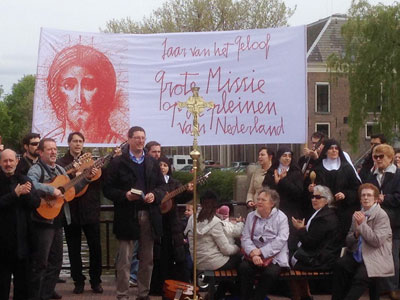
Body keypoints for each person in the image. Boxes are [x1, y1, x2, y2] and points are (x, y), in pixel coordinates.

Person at [27, 138, 95, 300]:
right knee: (41, 262)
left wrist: (86, 178)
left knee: (56, 262)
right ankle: (35, 295)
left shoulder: (59, 169)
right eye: (49, 149)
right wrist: (50, 189)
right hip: (42, 221)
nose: (53, 152)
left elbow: (71, 189)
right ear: (41, 152)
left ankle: (47, 293)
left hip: (58, 219)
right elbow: (30, 184)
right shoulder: (36, 169)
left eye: (55, 149)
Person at [103, 126, 166, 300]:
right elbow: (107, 189)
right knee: (124, 259)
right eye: (137, 137)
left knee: (148, 258)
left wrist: (155, 195)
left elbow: (162, 187)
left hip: (149, 214)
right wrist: (124, 195)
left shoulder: (152, 162)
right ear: (129, 139)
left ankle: (143, 294)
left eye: (143, 138)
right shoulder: (117, 162)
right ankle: (122, 295)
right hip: (127, 214)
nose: (140, 141)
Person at [46, 44, 127, 143]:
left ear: (102, 93)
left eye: (88, 85)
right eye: (69, 85)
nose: (79, 98)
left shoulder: (118, 145)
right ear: (58, 93)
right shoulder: (51, 144)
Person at [56, 132, 103, 294]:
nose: (77, 144)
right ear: (69, 143)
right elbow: (58, 184)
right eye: (74, 141)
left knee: (95, 248)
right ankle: (78, 282)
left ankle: (96, 281)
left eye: (80, 141)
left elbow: (100, 182)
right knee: (73, 249)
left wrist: (97, 173)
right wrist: (73, 175)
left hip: (90, 210)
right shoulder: (61, 164)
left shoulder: (91, 161)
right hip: (71, 211)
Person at [331, 183, 394, 300]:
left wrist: (362, 225)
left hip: (375, 256)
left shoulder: (382, 216)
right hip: (358, 255)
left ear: (375, 199)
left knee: (360, 278)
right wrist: (355, 234)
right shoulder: (357, 214)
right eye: (363, 195)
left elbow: (377, 241)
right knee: (340, 265)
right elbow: (348, 241)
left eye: (369, 195)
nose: (365, 198)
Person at [185, 190, 241, 299]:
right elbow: (227, 250)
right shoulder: (215, 222)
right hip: (213, 263)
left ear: (201, 203)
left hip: (197, 261)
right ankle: (234, 294)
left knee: (229, 270)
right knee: (240, 261)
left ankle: (218, 295)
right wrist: (238, 248)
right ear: (216, 205)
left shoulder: (192, 218)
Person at [0, 149, 40, 300]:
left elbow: (36, 203)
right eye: (5, 161)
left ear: (17, 162)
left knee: (23, 289)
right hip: (2, 246)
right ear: (0, 163)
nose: (8, 164)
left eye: (11, 161)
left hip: (23, 244)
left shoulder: (24, 180)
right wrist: (14, 195)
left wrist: (26, 194)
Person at [150, 155, 193, 294]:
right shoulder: (152, 182)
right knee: (158, 255)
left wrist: (189, 191)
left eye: (165, 165)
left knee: (176, 254)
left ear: (169, 168)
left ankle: (176, 287)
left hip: (172, 222)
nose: (162, 167)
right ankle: (157, 287)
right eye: (160, 165)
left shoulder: (174, 183)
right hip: (156, 221)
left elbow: (182, 197)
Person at [290, 185, 341, 300]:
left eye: (318, 197)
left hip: (320, 260)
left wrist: (300, 229)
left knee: (287, 264)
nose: (314, 199)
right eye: (312, 197)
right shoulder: (322, 213)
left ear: (327, 200)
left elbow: (310, 243)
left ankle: (301, 297)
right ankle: (305, 296)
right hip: (318, 255)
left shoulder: (325, 218)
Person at [239, 188, 289, 300]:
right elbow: (245, 237)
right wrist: (253, 253)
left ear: (272, 203)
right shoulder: (251, 216)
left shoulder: (282, 217)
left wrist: (261, 252)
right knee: (244, 268)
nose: (259, 202)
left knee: (269, 274)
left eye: (263, 200)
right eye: (258, 199)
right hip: (253, 255)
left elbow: (281, 240)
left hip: (274, 257)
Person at [307, 139, 360, 243]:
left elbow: (356, 188)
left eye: (336, 148)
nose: (334, 150)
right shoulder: (318, 168)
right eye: (331, 148)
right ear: (326, 150)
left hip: (343, 211)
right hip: (323, 212)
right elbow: (308, 188)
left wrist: (345, 194)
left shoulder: (346, 168)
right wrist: (310, 189)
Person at [365, 144, 400, 300]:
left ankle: (393, 288)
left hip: (394, 222)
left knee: (392, 255)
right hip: (376, 222)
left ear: (390, 158)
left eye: (381, 157)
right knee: (377, 255)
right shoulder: (371, 176)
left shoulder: (398, 175)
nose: (378, 160)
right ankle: (380, 288)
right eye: (375, 157)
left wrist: (386, 198)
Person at [263, 147, 303, 251]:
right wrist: (276, 183)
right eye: (284, 156)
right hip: (274, 209)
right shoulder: (272, 171)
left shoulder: (296, 172)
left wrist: (283, 181)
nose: (287, 158)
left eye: (289, 156)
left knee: (289, 237)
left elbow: (298, 192)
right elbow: (266, 189)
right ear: (279, 157)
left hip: (291, 209)